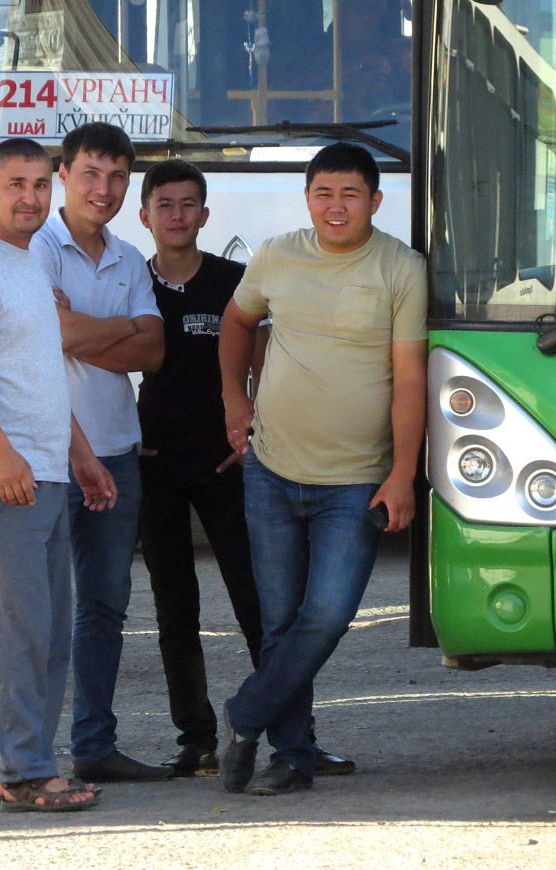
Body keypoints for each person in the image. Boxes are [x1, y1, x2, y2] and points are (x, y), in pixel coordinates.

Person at [218, 142, 427, 796]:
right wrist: (234, 398)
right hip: (272, 471)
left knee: (328, 615)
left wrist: (402, 475)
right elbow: (236, 319)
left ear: (375, 201)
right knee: (280, 622)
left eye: (351, 194)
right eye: (324, 194)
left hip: (357, 481)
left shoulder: (401, 268)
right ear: (307, 198)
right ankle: (292, 756)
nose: (336, 207)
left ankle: (247, 713)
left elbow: (411, 380)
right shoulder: (277, 255)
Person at [135, 159, 356, 779]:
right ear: (144, 214)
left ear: (205, 216)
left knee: (263, 608)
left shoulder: (235, 280)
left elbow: (264, 357)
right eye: (165, 205)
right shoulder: (129, 279)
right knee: (173, 609)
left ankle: (295, 738)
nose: (176, 216)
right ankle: (196, 740)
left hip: (228, 462)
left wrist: (251, 430)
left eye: (188, 205)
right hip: (154, 462)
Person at [0, 136, 115, 812]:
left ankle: (31, 761)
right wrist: (3, 456)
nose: (30, 198)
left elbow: (36, 376)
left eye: (41, 185)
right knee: (17, 627)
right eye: (17, 184)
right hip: (0, 476)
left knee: (48, 628)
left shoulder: (30, 261)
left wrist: (81, 454)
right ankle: (25, 771)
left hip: (45, 470)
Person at [29, 122, 170, 783]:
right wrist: (115, 330)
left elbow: (154, 351)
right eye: (90, 173)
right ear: (63, 174)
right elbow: (48, 334)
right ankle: (28, 757)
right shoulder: (36, 249)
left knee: (105, 608)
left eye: (117, 177)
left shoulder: (129, 257)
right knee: (41, 610)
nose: (103, 189)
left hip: (116, 449)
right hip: (44, 455)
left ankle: (94, 746)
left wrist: (81, 334)